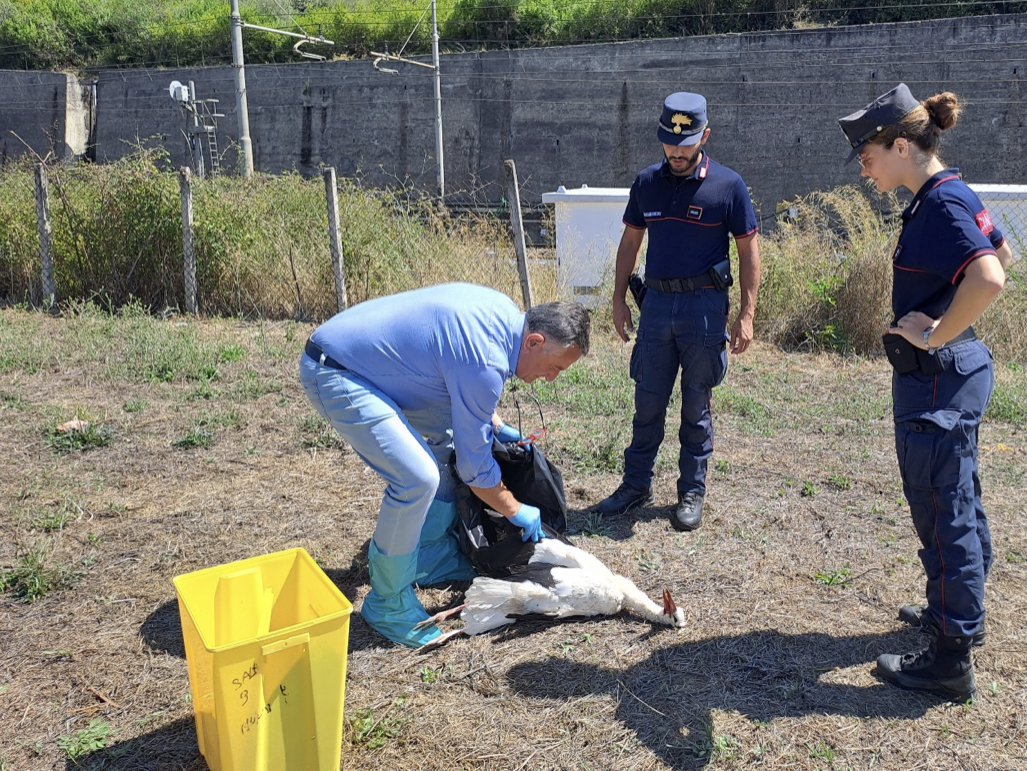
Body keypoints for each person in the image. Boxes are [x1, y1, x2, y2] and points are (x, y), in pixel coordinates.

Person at [837, 83, 1013, 702]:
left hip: (936, 381)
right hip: (951, 375)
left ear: (904, 145)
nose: (863, 164)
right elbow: (1002, 252)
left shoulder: (938, 205)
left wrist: (936, 332)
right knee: (957, 499)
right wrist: (945, 321)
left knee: (943, 513)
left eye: (869, 151)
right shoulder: (946, 195)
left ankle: (949, 657)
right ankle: (961, 617)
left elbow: (989, 277)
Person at [300, 283, 589, 648]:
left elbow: (460, 371)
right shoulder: (488, 359)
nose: (551, 378)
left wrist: (493, 423)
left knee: (445, 446)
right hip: (337, 371)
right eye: (554, 367)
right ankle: (387, 603)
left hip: (366, 362)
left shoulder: (504, 315)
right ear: (533, 341)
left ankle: (428, 556)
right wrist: (516, 510)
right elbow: (475, 469)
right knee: (416, 479)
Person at [591, 92, 760, 531]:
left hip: (704, 307)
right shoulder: (647, 182)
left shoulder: (728, 186)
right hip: (656, 305)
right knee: (647, 401)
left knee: (696, 405)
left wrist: (746, 313)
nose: (676, 152)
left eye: (685, 144)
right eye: (669, 142)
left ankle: (690, 491)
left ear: (705, 136)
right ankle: (635, 486)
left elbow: (748, 250)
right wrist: (616, 298)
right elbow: (631, 242)